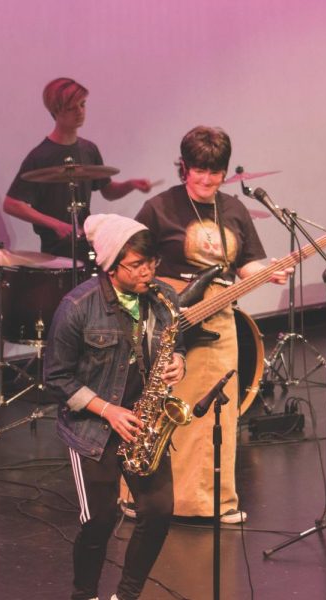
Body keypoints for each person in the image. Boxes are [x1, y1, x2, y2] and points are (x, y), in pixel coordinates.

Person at [122, 125, 288, 524]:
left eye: (216, 172)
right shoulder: (159, 208)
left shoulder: (233, 209)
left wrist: (269, 272)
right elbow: (131, 260)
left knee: (218, 412)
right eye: (200, 170)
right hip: (167, 319)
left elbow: (247, 263)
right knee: (158, 407)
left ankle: (214, 501)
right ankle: (139, 497)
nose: (208, 179)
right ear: (185, 168)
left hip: (219, 318)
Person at [44, 213, 186, 600]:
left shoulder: (163, 299)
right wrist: (108, 410)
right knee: (100, 521)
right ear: (110, 264)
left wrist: (179, 362)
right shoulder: (77, 307)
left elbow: (176, 342)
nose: (148, 272)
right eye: (137, 265)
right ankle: (84, 594)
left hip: (142, 423)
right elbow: (56, 378)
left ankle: (126, 595)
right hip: (92, 428)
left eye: (151, 262)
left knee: (158, 512)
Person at [3, 77, 152, 260]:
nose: (80, 112)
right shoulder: (40, 156)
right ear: (56, 111)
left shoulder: (89, 149)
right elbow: (12, 204)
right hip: (55, 250)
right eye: (72, 108)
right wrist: (56, 224)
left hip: (86, 243)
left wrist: (131, 184)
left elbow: (108, 192)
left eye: (82, 105)